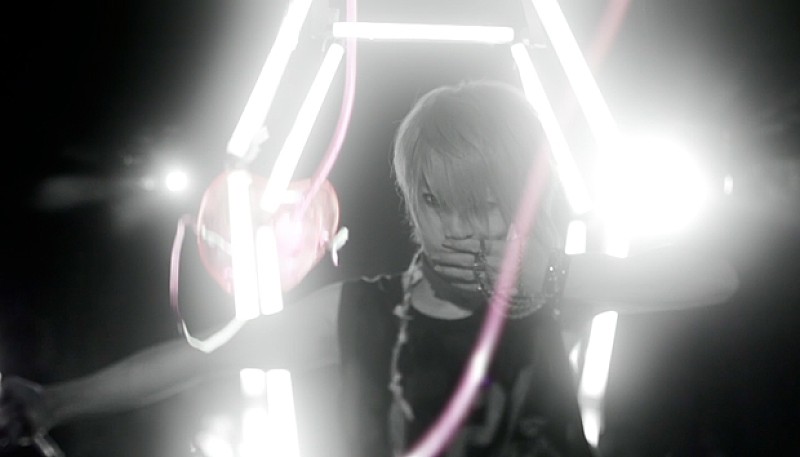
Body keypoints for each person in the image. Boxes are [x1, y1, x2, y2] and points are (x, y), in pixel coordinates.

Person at [0, 80, 738, 457]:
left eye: (486, 203)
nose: (462, 226)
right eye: (438, 202)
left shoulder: (550, 290)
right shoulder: (358, 311)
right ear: (413, 204)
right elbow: (199, 359)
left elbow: (716, 277)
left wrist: (554, 275)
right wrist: (57, 402)